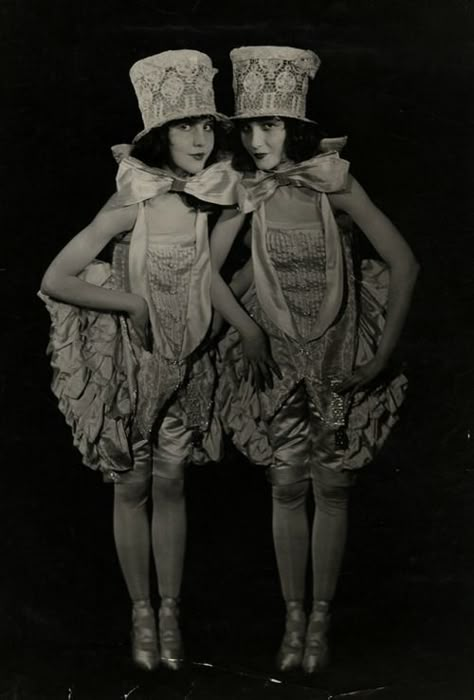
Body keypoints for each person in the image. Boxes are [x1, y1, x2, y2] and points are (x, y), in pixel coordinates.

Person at [210, 46, 419, 673]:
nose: (255, 139)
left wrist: (382, 354)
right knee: (284, 484)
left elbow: (404, 263)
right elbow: (208, 272)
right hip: (277, 358)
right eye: (247, 126)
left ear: (294, 128)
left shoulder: (334, 183)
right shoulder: (249, 191)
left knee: (332, 484)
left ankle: (321, 619)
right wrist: (246, 330)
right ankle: (291, 617)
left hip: (338, 352)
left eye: (268, 124)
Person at [40, 50, 240, 671]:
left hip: (188, 358)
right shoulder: (131, 203)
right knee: (132, 484)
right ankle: (141, 613)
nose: (200, 139)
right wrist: (129, 303)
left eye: (207, 125)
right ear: (158, 136)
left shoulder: (215, 199)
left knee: (173, 482)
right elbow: (56, 277)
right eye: (185, 126)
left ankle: (172, 612)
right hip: (132, 365)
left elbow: (212, 274)